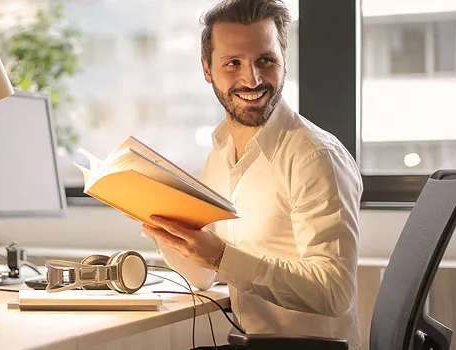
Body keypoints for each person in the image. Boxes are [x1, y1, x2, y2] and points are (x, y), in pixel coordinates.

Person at [141, 0, 363, 349]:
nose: (252, 79)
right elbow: (202, 277)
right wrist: (165, 229)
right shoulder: (219, 154)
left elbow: (333, 291)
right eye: (233, 63)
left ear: (283, 62)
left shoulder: (315, 156)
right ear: (207, 70)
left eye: (265, 60)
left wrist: (220, 256)